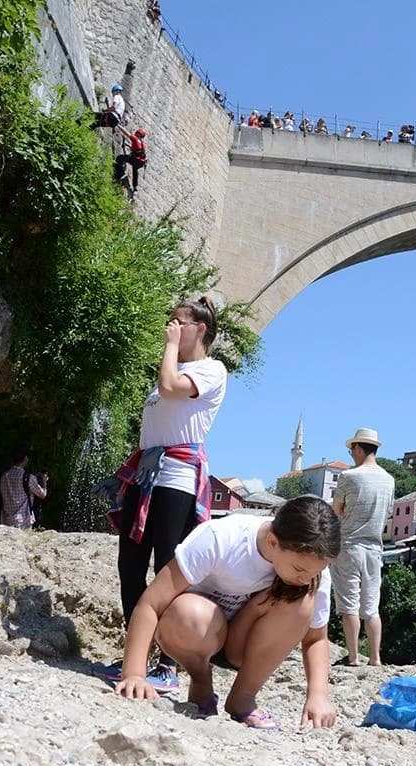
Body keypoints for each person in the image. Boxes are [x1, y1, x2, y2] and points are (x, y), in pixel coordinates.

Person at [114, 496, 341, 730]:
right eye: (299, 569)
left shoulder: (312, 573)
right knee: (189, 613)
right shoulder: (222, 538)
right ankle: (201, 681)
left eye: (316, 571)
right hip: (192, 633)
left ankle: (243, 697)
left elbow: (315, 639)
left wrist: (318, 695)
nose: (306, 577)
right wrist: (134, 675)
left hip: (244, 647)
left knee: (302, 603)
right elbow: (151, 603)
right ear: (273, 542)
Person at [96, 296, 228, 693]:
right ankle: (135, 653)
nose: (170, 327)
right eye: (170, 322)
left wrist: (170, 347)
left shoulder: (211, 369)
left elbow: (170, 387)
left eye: (178, 322)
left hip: (176, 480)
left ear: (199, 329)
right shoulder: (173, 367)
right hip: (146, 474)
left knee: (168, 570)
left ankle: (168, 664)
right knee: (130, 564)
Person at [331, 428, 395, 667]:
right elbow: (388, 512)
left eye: (351, 450)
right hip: (375, 548)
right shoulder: (389, 479)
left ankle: (354, 656)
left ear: (358, 448)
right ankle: (376, 658)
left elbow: (337, 511)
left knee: (349, 604)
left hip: (349, 544)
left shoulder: (349, 477)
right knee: (371, 607)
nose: (351, 454)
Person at [0, 447, 47, 530]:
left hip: (6, 520)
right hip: (22, 521)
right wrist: (44, 481)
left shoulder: (4, 476)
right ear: (25, 458)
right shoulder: (28, 477)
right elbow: (42, 495)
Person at [113, 127, 148, 197]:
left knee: (119, 158)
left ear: (137, 133)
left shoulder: (135, 138)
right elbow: (138, 151)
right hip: (140, 162)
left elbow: (126, 133)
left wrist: (118, 125)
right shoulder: (143, 144)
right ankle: (135, 187)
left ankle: (119, 174)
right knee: (135, 170)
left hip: (134, 159)